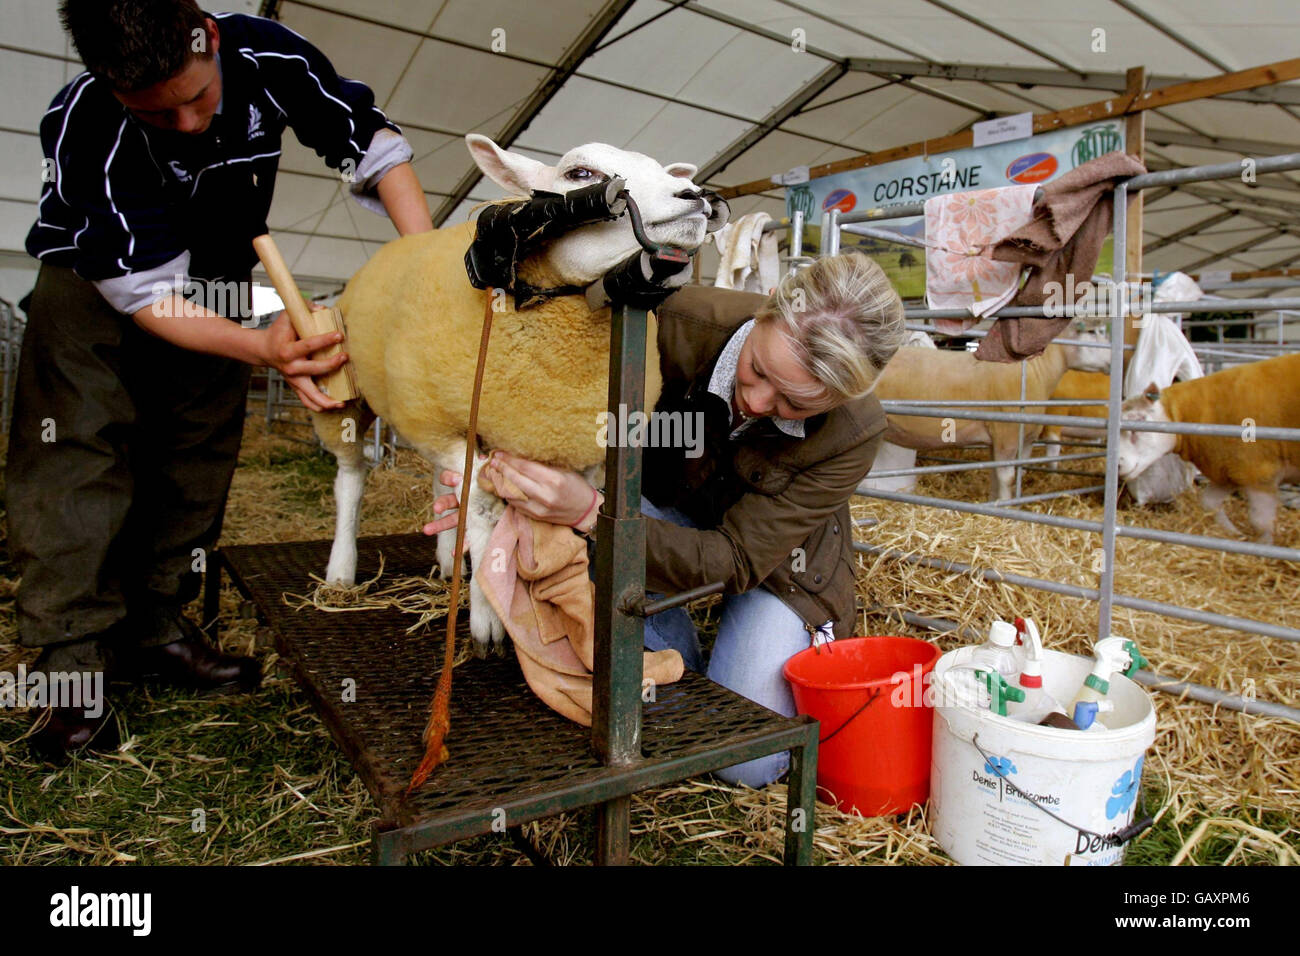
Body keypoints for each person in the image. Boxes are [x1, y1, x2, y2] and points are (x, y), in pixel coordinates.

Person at [8, 1, 433, 760]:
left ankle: (157, 633)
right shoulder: (83, 123)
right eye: (156, 116)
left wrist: (427, 268)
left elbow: (370, 145)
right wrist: (262, 346)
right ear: (110, 85)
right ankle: (70, 671)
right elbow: (142, 293)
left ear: (206, 37)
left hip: (216, 280)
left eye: (199, 100)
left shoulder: (268, 54)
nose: (189, 126)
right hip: (94, 289)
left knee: (198, 456)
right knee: (78, 458)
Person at [425, 253, 906, 787]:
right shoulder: (665, 322)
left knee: (743, 762)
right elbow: (561, 411)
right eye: (757, 370)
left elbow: (737, 559)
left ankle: (689, 660)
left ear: (839, 400)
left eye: (795, 403)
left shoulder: (854, 430)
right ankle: (678, 656)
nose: (757, 400)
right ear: (767, 312)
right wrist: (502, 482)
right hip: (655, 508)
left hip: (772, 563)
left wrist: (589, 511)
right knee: (553, 522)